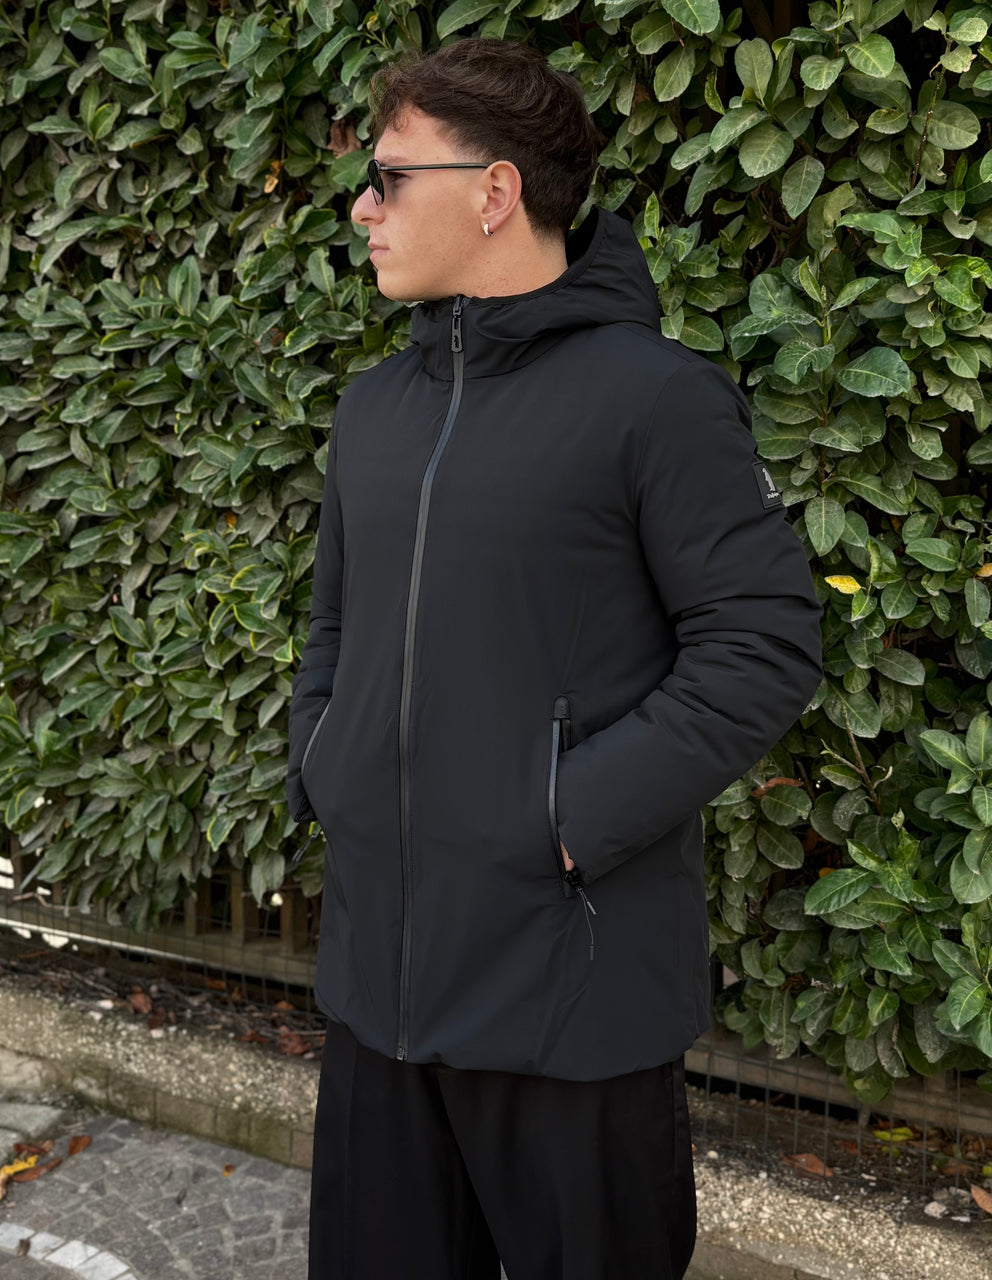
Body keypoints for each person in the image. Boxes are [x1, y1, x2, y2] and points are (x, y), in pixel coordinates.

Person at [287, 37, 822, 1280]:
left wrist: (560, 817)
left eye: (388, 177)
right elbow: (335, 627)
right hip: (379, 990)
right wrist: (324, 761)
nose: (362, 209)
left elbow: (761, 641)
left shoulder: (655, 399)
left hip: (570, 1001)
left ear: (495, 192)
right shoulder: (372, 410)